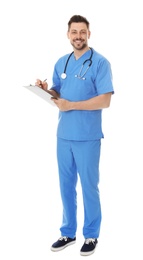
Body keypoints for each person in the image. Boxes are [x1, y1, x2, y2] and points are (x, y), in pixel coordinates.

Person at [35, 14, 114, 256]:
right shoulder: (62, 62)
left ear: (89, 34)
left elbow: (105, 100)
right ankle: (68, 233)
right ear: (68, 34)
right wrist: (46, 91)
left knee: (90, 187)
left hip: (87, 136)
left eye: (82, 32)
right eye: (74, 32)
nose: (78, 36)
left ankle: (91, 236)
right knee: (65, 186)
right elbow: (60, 95)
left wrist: (72, 105)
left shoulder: (100, 63)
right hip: (64, 135)